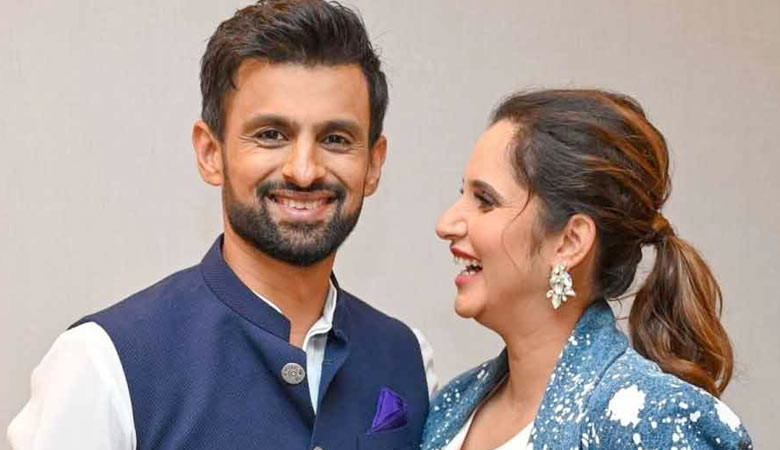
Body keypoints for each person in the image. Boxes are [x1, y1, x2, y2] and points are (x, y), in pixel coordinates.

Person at [7, 1, 437, 449]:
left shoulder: (408, 359)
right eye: (271, 135)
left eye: (335, 139)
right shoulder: (104, 362)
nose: (304, 170)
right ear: (210, 153)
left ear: (374, 164)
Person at [423, 90, 752, 449]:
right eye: (463, 193)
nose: (446, 223)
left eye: (485, 201)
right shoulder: (451, 405)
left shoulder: (656, 420)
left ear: (570, 242)